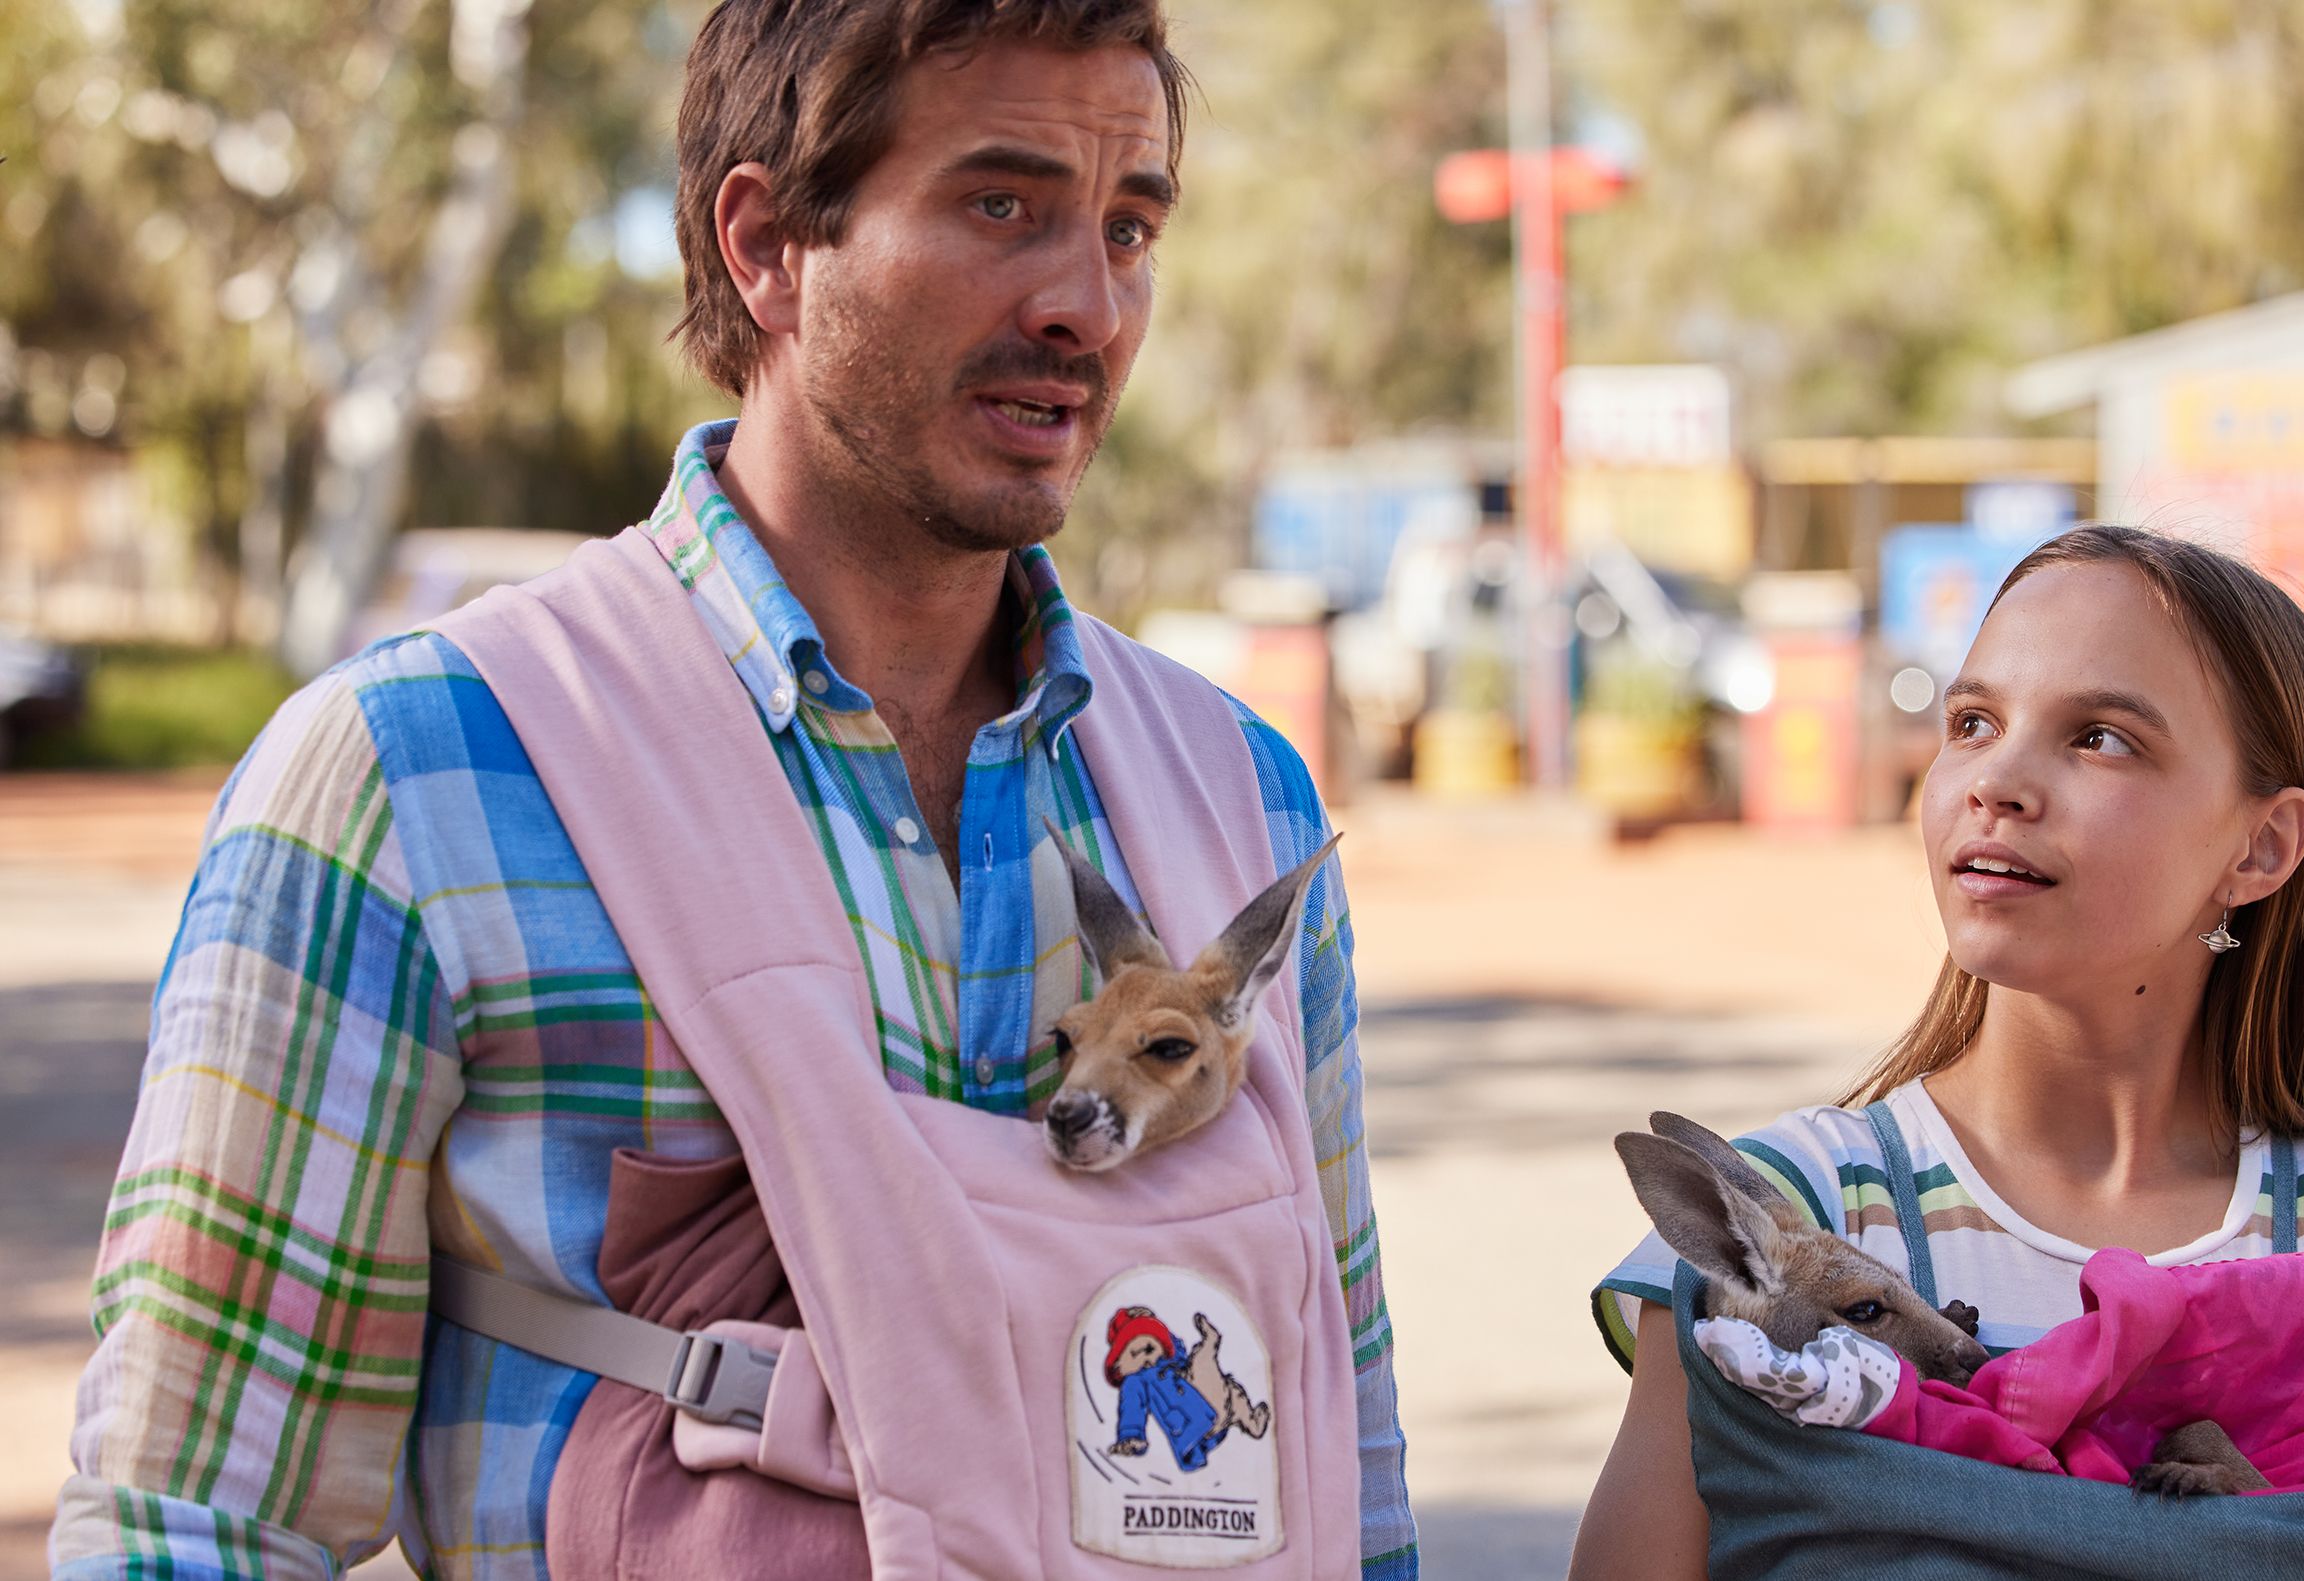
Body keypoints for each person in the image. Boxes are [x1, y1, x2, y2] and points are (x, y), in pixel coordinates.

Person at [49, 3, 1414, 1576]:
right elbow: (195, 1524)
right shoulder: (417, 781)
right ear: (767, 244)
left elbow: (1338, 1452)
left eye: (1128, 227)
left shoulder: (1242, 802)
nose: (1085, 308)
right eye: (1001, 207)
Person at [1567, 525, 2304, 1581]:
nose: (1994, 783)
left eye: (2099, 737)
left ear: (2260, 846)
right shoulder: (1795, 1217)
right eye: (1971, 722)